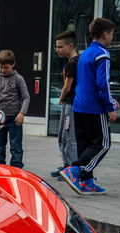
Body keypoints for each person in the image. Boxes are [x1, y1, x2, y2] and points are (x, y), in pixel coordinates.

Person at [60, 18, 118, 195]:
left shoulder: (84, 54)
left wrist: (111, 99)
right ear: (105, 34)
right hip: (94, 108)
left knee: (85, 145)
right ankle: (75, 169)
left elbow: (88, 83)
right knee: (102, 144)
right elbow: (102, 84)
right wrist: (110, 106)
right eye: (112, 35)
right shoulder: (102, 54)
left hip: (79, 107)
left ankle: (87, 183)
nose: (112, 38)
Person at [0, 50, 30, 168]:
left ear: (13, 64)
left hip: (15, 119)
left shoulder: (18, 78)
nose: (3, 70)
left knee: (16, 147)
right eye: (1, 67)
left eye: (6, 68)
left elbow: (26, 97)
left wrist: (22, 113)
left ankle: (16, 168)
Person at [51, 30, 79, 179]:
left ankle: (71, 169)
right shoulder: (72, 62)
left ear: (71, 45)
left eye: (60, 47)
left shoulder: (73, 63)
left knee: (69, 137)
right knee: (63, 135)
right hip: (68, 104)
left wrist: (60, 99)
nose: (58, 50)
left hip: (70, 104)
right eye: (57, 47)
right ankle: (66, 165)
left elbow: (67, 87)